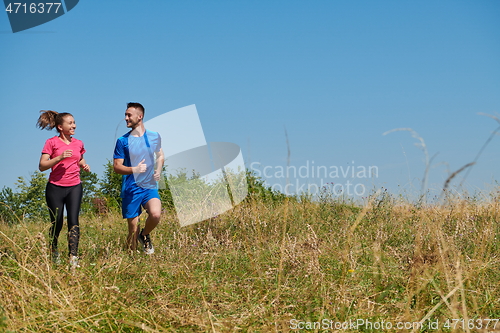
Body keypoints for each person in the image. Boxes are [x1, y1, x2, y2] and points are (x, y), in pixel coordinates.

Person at [37, 110, 90, 268]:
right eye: (70, 123)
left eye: (74, 122)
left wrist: (84, 164)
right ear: (60, 127)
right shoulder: (51, 142)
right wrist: (59, 157)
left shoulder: (78, 143)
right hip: (55, 187)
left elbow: (80, 158)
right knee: (57, 222)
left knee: (74, 220)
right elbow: (42, 166)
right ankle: (54, 250)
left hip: (75, 185)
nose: (74, 125)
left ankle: (73, 257)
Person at [113, 102, 164, 254]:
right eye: (125, 115)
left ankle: (145, 235)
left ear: (139, 117)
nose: (126, 118)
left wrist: (158, 170)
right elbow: (117, 167)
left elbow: (160, 155)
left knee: (155, 214)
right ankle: (131, 259)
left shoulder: (154, 136)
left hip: (149, 186)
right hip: (131, 189)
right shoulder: (122, 141)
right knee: (132, 231)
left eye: (129, 115)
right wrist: (134, 169)